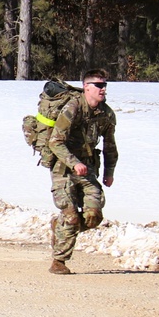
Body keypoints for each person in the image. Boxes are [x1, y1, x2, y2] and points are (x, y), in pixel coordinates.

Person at [47, 68, 118, 275]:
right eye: (98, 85)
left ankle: (58, 226)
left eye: (104, 85)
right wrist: (73, 162)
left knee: (93, 216)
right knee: (71, 217)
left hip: (88, 171)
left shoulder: (106, 114)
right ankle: (59, 261)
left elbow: (110, 146)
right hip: (64, 169)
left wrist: (109, 171)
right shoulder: (73, 107)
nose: (103, 89)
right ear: (87, 87)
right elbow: (55, 142)